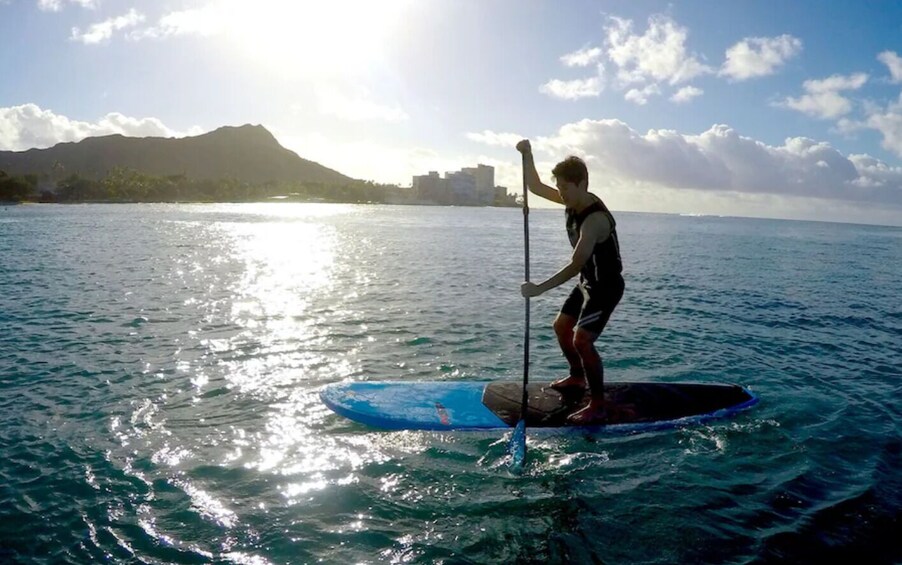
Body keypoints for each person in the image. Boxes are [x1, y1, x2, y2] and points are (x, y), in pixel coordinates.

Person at [516, 139, 625, 424]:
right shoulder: (571, 200)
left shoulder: (595, 219)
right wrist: (528, 155)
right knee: (561, 326)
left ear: (582, 184)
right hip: (587, 282)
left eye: (565, 188)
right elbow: (536, 188)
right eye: (560, 187)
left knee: (583, 340)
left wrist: (538, 289)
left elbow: (576, 262)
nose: (561, 194)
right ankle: (577, 377)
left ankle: (598, 403)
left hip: (606, 287)